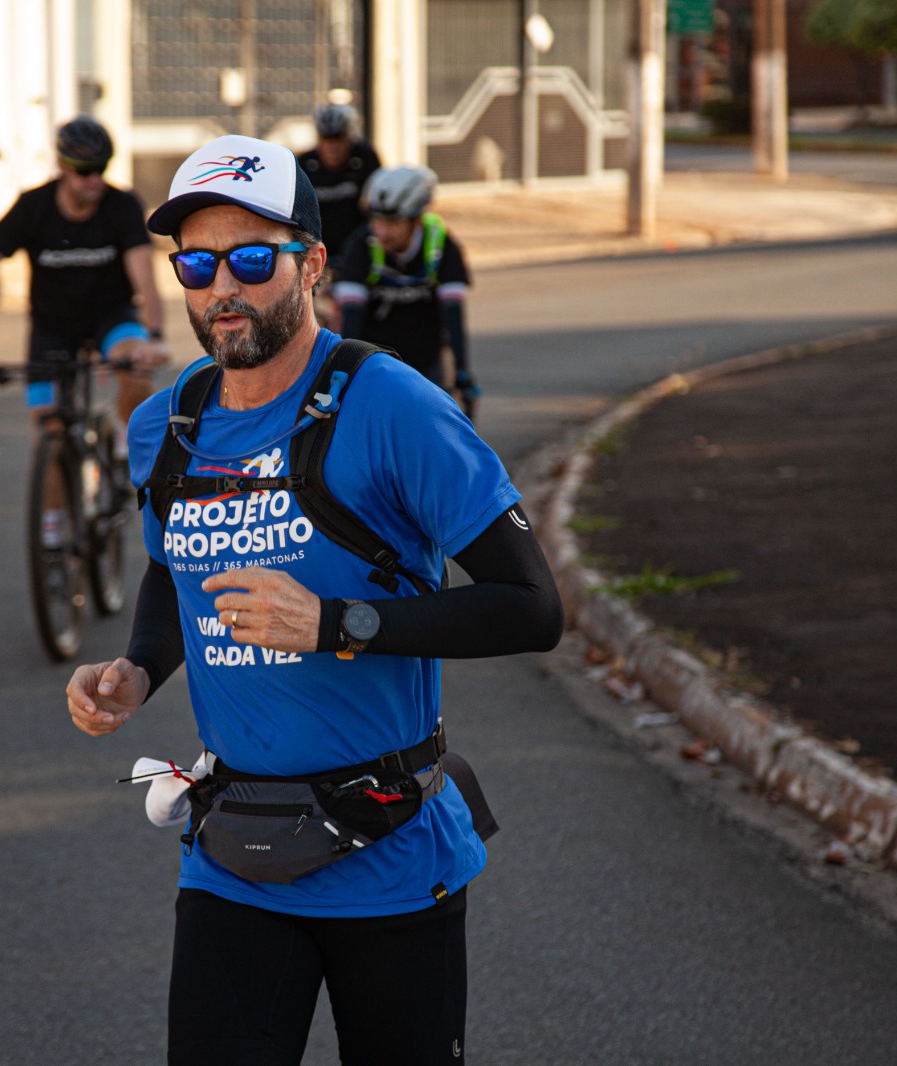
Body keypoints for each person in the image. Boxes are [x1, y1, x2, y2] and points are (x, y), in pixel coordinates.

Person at [65, 134, 563, 1065]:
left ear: (312, 264)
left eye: (254, 259)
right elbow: (177, 568)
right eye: (198, 262)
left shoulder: (395, 407)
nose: (224, 288)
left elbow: (532, 607)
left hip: (389, 857)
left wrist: (335, 625)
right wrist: (137, 667)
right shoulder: (162, 426)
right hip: (234, 859)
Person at [0, 116, 169, 542]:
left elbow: (144, 279)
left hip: (110, 319)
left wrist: (153, 337)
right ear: (62, 167)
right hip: (52, 328)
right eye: (83, 171)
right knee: (48, 430)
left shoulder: (121, 206)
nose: (94, 179)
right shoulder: (33, 206)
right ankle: (53, 533)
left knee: (134, 364)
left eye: (102, 168)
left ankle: (121, 443)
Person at [333, 165, 479, 412]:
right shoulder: (362, 244)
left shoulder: (441, 245)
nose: (382, 231)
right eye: (376, 220)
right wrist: (345, 373)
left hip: (426, 356)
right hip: (375, 358)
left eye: (392, 222)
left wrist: (462, 372)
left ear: (416, 219)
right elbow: (351, 318)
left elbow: (453, 312)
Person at [296, 102, 381, 268]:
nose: (332, 147)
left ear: (349, 136)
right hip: (317, 248)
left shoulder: (365, 159)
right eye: (326, 139)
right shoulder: (305, 165)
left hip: (359, 249)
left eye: (338, 138)